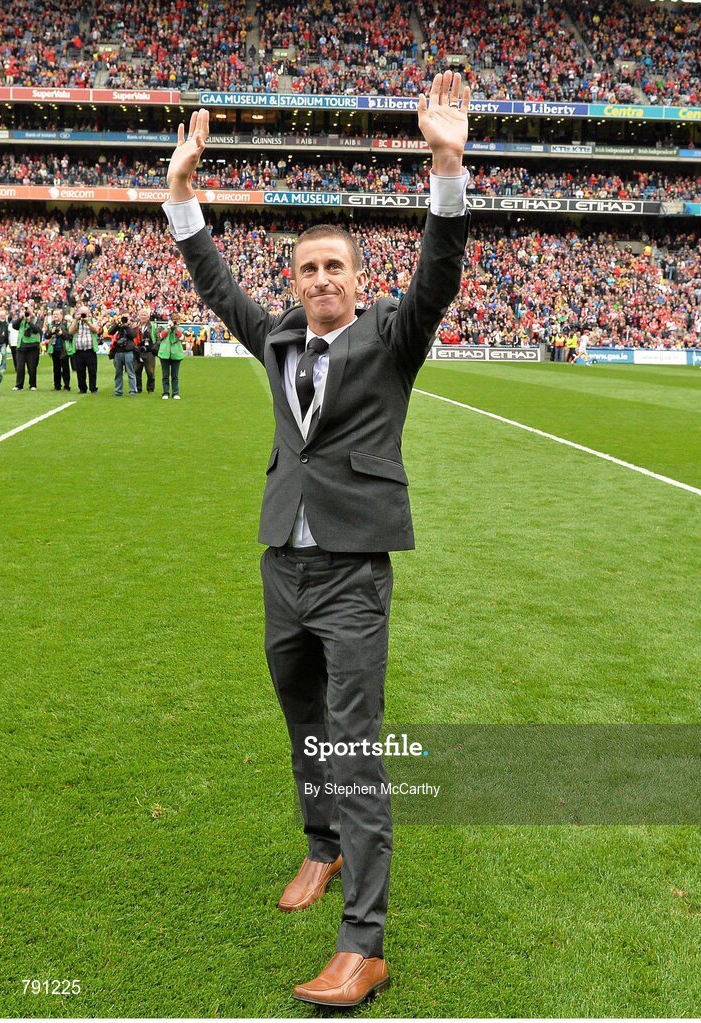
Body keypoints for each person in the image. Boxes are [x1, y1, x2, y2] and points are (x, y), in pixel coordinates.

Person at [163, 71, 471, 1008]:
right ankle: (320, 846)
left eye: (335, 267)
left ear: (357, 280)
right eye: (307, 269)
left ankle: (363, 943)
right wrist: (182, 196)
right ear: (294, 282)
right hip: (281, 565)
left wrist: (446, 163)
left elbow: (441, 274)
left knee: (352, 744)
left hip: (351, 571)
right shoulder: (276, 338)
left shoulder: (392, 337)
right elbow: (216, 285)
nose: (321, 280)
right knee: (302, 721)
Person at [11, 304, 44, 390]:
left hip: (33, 346)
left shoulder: (38, 319)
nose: (27, 311)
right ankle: (19, 385)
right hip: (21, 346)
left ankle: (32, 385)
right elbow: (14, 326)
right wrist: (20, 318)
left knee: (32, 367)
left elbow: (37, 329)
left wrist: (29, 321)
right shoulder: (22, 319)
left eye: (29, 309)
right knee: (20, 367)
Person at [68, 304, 100, 393]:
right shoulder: (75, 322)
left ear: (89, 313)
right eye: (81, 313)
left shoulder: (93, 320)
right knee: (80, 371)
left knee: (92, 371)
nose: (83, 315)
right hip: (78, 351)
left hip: (90, 350)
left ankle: (93, 388)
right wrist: (76, 320)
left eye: (84, 313)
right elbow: (70, 331)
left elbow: (96, 330)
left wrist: (87, 322)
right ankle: (82, 388)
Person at [108, 312, 137, 396]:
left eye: (126, 318)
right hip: (118, 351)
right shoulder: (118, 326)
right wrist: (118, 325)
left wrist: (127, 326)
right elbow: (110, 332)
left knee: (131, 372)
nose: (124, 320)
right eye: (123, 318)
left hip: (129, 351)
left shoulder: (133, 326)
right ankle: (118, 391)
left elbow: (132, 335)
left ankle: (133, 391)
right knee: (118, 372)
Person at [157, 310, 185, 399]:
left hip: (176, 354)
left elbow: (181, 338)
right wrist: (168, 328)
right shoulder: (163, 327)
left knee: (175, 375)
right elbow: (160, 336)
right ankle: (165, 392)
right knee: (165, 375)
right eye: (174, 319)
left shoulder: (181, 329)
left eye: (177, 319)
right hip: (164, 353)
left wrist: (176, 328)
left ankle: (175, 392)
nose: (175, 321)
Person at [43, 309, 73, 391]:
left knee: (65, 368)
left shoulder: (66, 324)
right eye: (54, 314)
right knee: (56, 368)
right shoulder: (51, 325)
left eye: (57, 314)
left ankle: (66, 386)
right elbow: (46, 336)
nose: (55, 316)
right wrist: (51, 332)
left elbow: (70, 336)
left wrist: (61, 333)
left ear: (61, 315)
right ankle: (57, 385)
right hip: (54, 349)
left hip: (64, 349)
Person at [134, 307, 159, 393]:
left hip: (149, 352)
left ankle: (150, 389)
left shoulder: (153, 326)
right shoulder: (135, 326)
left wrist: (154, 349)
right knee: (136, 370)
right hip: (138, 351)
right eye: (142, 314)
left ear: (148, 317)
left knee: (150, 372)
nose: (143, 316)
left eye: (145, 315)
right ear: (139, 316)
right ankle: (138, 388)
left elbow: (158, 338)